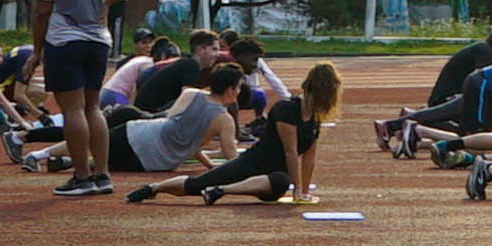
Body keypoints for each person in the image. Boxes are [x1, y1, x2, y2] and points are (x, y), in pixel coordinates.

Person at [33, 0, 141, 198]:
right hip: (97, 39)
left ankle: (82, 176)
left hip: (63, 40)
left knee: (73, 109)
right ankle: (102, 174)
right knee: (93, 107)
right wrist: (108, 1)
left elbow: (42, 11)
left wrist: (37, 51)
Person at [122, 61, 339, 205]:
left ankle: (222, 190)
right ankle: (153, 188)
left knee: (281, 181)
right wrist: (298, 190)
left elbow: (309, 157)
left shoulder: (314, 118)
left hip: (272, 177)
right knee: (196, 185)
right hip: (253, 163)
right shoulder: (287, 109)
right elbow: (291, 153)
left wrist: (303, 191)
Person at [39, 64, 240, 181]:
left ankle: (40, 155)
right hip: (155, 162)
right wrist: (214, 167)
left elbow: (172, 123)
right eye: (238, 87)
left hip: (140, 135)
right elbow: (229, 156)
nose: (239, 92)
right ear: (230, 89)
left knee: (95, 141)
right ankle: (65, 162)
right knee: (109, 161)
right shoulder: (225, 121)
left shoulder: (190, 94)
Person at [132, 30, 222, 113]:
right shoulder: (191, 66)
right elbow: (188, 99)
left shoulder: (186, 63)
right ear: (200, 50)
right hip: (148, 113)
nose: (218, 54)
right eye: (214, 49)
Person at [105, 37, 181, 110]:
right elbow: (137, 88)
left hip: (108, 93)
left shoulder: (143, 60)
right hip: (116, 96)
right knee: (128, 115)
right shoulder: (148, 65)